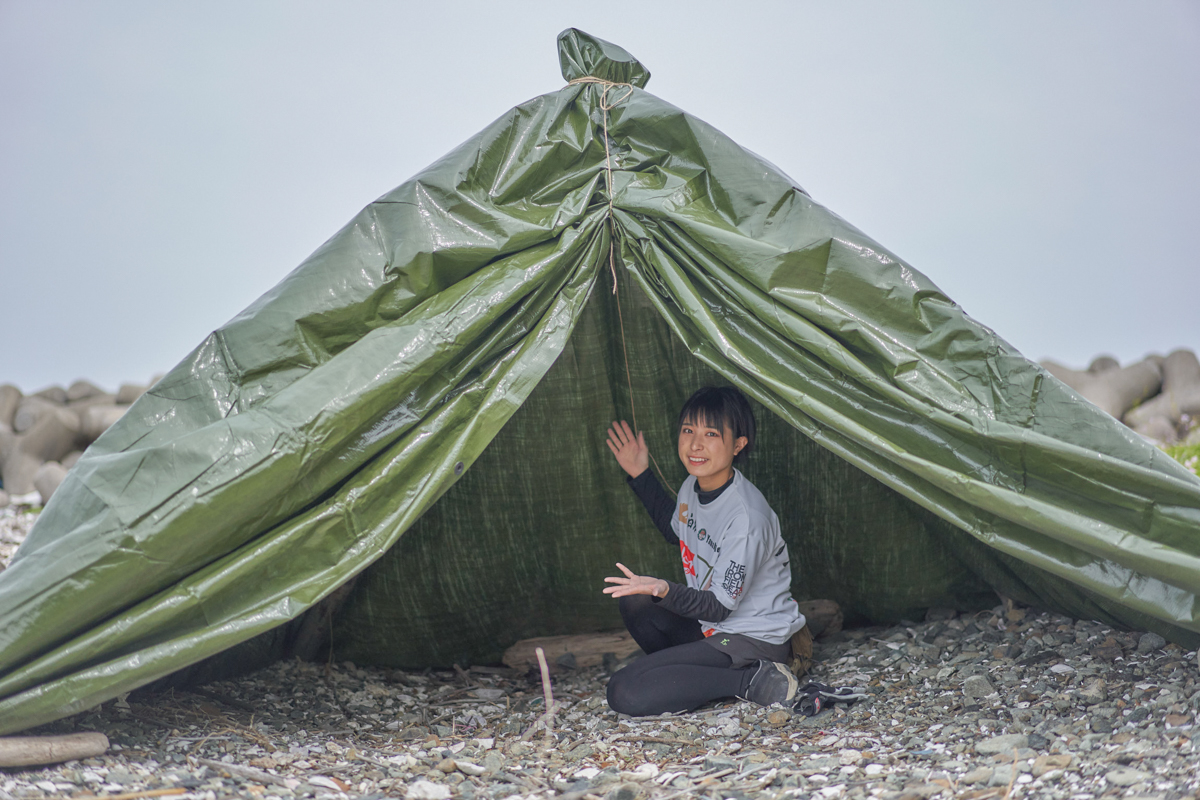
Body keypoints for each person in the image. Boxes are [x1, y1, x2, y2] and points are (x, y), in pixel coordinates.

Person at [602, 386, 808, 716]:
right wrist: (640, 473)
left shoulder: (746, 517)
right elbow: (678, 531)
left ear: (738, 444)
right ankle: (693, 679)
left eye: (711, 433)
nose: (696, 445)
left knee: (624, 691)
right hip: (712, 627)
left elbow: (719, 607)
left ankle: (748, 680)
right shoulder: (693, 486)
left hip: (753, 638)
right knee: (635, 599)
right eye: (688, 431)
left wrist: (664, 589)